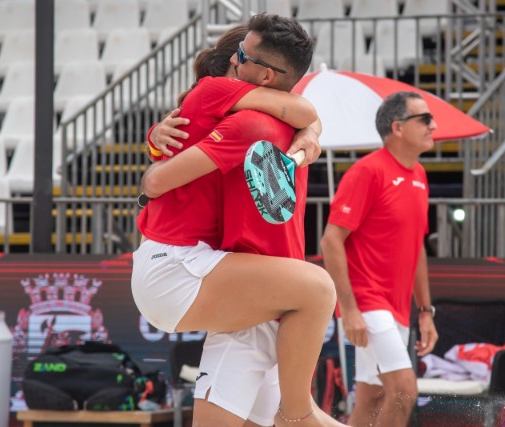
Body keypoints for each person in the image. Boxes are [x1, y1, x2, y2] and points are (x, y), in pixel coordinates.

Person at [133, 14, 341, 427]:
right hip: (179, 266)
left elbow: (303, 111)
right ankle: (297, 413)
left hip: (218, 272)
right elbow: (153, 182)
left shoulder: (274, 122)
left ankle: (298, 413)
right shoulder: (246, 117)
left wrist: (312, 130)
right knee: (317, 289)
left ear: (262, 74)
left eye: (242, 58)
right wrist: (313, 128)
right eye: (237, 57)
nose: (235, 68)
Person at [320, 91, 440, 427]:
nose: (434, 125)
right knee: (403, 391)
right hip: (369, 304)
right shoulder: (367, 172)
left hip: (398, 308)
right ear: (398, 128)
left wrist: (425, 311)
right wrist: (350, 310)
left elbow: (417, 247)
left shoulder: (419, 175)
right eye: (425, 119)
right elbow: (331, 240)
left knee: (372, 399)